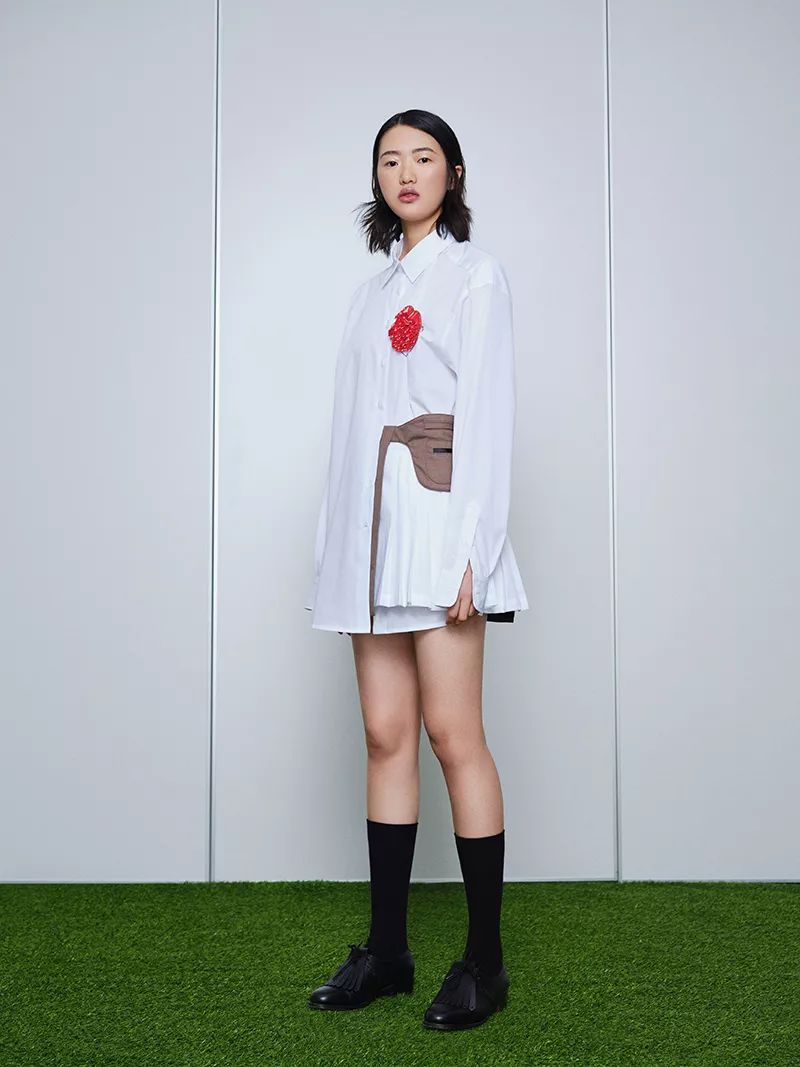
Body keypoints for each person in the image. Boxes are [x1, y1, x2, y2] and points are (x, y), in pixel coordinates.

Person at [305, 109, 529, 1031]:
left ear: (454, 173)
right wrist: (337, 548)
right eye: (390, 160)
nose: (405, 172)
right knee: (384, 733)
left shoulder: (475, 275)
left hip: (439, 524)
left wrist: (475, 545)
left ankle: (485, 961)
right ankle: (389, 951)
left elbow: (489, 415)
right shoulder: (370, 294)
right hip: (373, 533)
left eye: (423, 157)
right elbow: (350, 425)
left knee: (451, 733)